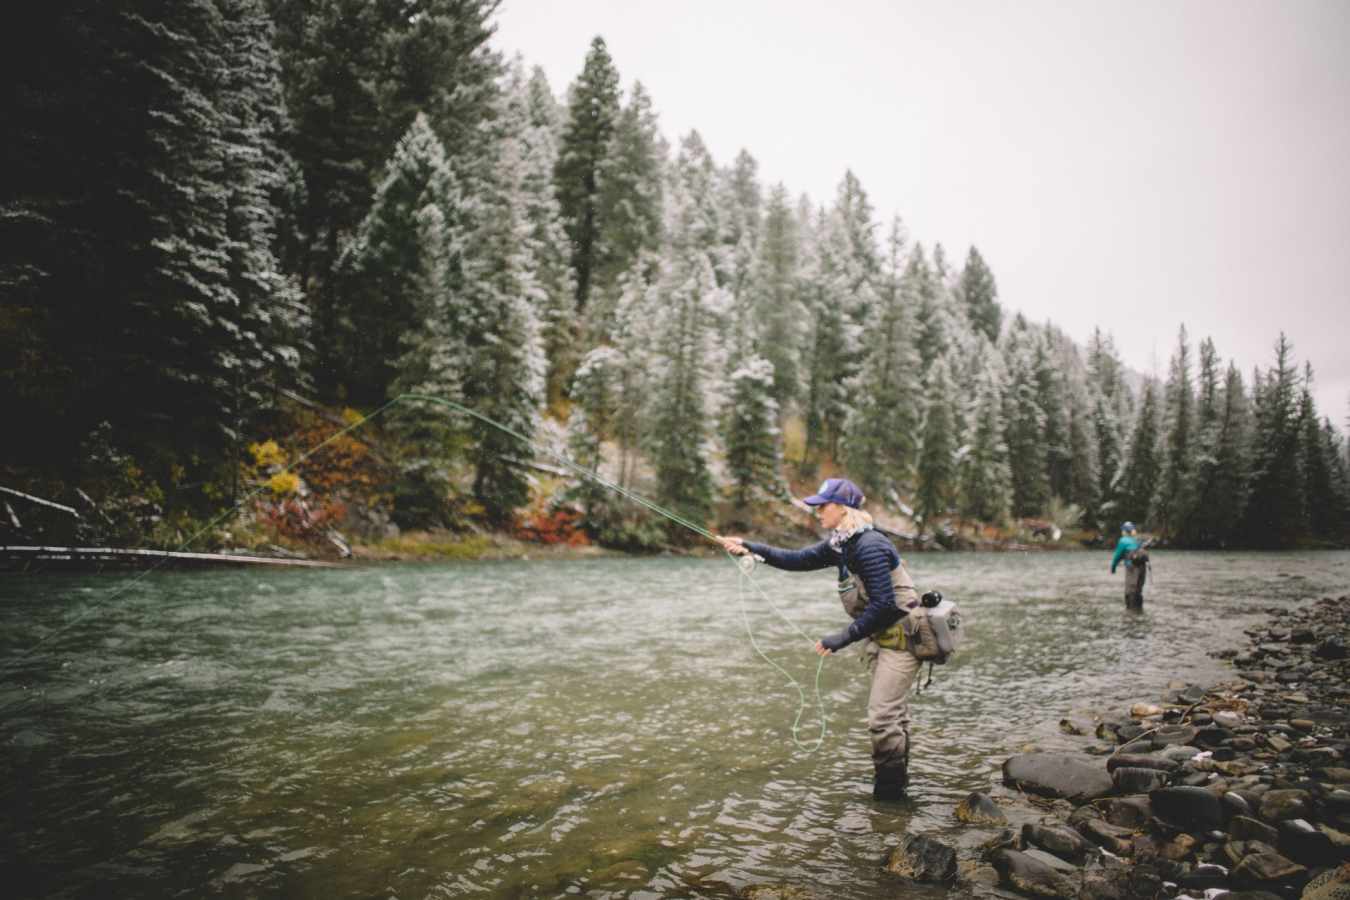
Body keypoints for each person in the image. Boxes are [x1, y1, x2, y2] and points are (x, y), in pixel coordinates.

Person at [718, 477, 920, 801]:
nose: (817, 512)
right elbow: (795, 560)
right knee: (892, 716)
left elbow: (885, 604)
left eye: (822, 506)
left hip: (904, 640)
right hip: (882, 638)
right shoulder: (842, 544)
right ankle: (897, 797)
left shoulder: (869, 546)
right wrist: (750, 546)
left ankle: (890, 800)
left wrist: (840, 638)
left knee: (882, 718)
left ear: (842, 508)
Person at [1110, 521, 1147, 609]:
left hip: (1132, 568)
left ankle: (1130, 613)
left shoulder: (1123, 540)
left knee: (1130, 591)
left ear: (1125, 531)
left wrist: (1113, 568)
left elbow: (1117, 556)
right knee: (1138, 591)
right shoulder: (1137, 539)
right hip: (1142, 567)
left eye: (1122, 530)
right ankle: (1139, 611)